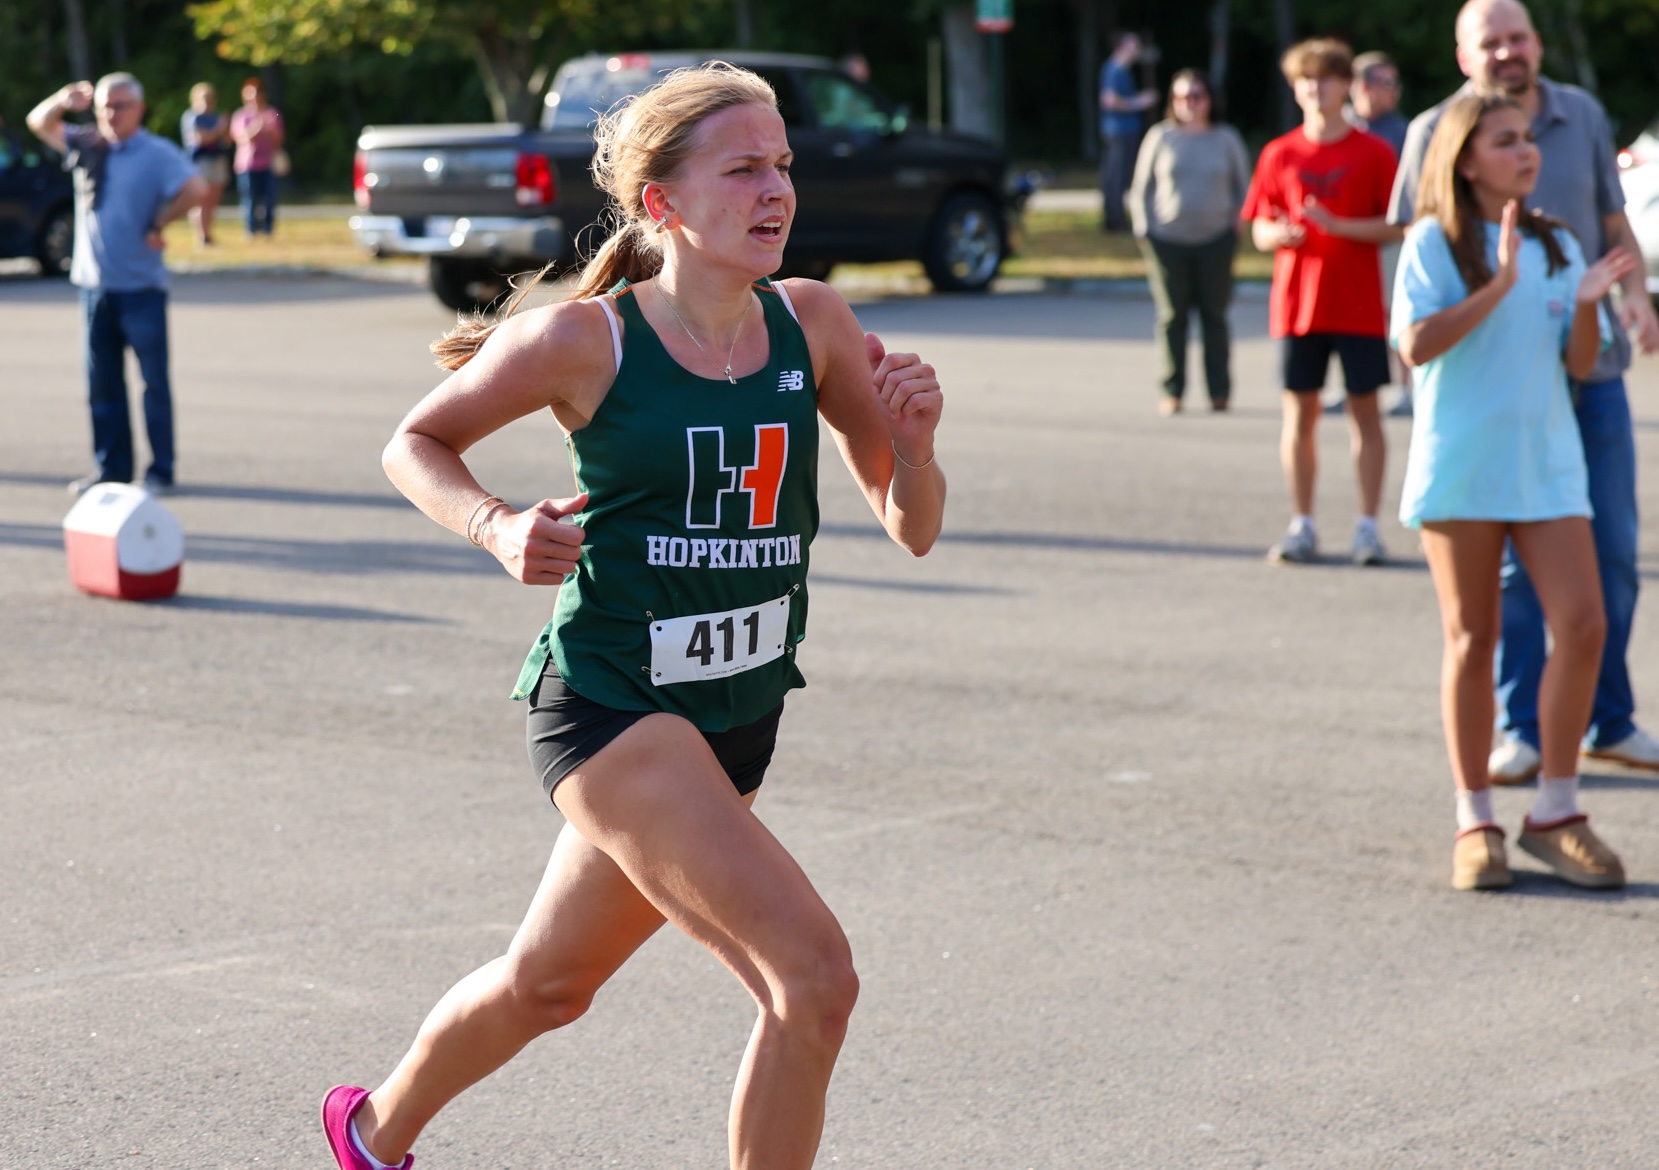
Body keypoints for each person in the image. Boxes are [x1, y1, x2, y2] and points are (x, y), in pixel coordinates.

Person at [319, 62, 947, 1170]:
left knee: (546, 984)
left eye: (784, 165)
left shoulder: (816, 324)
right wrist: (496, 528)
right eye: (743, 168)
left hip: (738, 719)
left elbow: (913, 525)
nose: (776, 191)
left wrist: (919, 448)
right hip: (613, 707)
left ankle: (369, 1136)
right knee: (814, 978)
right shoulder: (588, 343)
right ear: (660, 203)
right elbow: (413, 442)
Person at [1389, 0, 1659, 780]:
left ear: (1537, 44)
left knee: (1606, 562)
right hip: (1483, 401)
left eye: (1519, 37)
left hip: (1584, 375)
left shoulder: (1581, 115)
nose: (1508, 52)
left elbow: (1614, 223)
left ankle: (1603, 723)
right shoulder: (1430, 134)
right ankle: (1521, 731)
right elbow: (1417, 265)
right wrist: (1485, 295)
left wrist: (1630, 297)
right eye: (1491, 41)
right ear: (1462, 52)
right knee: (1495, 596)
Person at [1395, 93, 1630, 890]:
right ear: (1465, 159)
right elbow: (1416, 345)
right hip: (1463, 466)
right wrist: (1496, 283)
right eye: (1504, 141)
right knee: (1473, 639)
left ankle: (1555, 811)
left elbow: (1575, 363)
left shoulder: (1558, 242)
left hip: (1547, 464)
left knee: (1584, 624)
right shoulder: (1432, 242)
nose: (1526, 152)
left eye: (1528, 138)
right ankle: (1474, 820)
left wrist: (1590, 303)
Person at [1241, 38, 1401, 566]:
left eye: (1326, 78)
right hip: (1297, 308)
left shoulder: (1374, 151)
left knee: (1366, 415)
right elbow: (1258, 225)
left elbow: (1396, 225)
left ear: (1345, 86)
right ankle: (1302, 523)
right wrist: (1277, 234)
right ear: (1295, 88)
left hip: (1357, 307)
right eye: (1305, 79)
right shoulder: (1278, 153)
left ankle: (1367, 527)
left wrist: (1338, 227)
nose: (1315, 88)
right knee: (1299, 415)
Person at [25, 74, 208, 495]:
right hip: (95, 288)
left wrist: (160, 221)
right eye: (105, 105)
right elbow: (38, 122)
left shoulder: (156, 153)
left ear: (139, 110)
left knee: (153, 384)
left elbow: (197, 188)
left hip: (141, 288)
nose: (110, 113)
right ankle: (112, 470)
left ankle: (161, 471)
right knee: (103, 385)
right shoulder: (87, 143)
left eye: (120, 105)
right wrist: (60, 98)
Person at [1127, 68, 1250, 415]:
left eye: (1196, 96)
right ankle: (1173, 389)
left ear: (1210, 100)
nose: (1189, 104)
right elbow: (1141, 189)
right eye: (1182, 97)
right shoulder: (1161, 137)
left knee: (1215, 316)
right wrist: (1143, 227)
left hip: (1216, 240)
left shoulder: (1225, 138)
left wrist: (1236, 224)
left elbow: (1244, 187)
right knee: (1172, 317)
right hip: (1168, 240)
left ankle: (1220, 391)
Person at [1347, 51, 1416, 418]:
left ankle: (1405, 389)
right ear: (1361, 86)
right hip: (1344, 238)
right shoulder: (1340, 126)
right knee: (1348, 315)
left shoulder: (1401, 131)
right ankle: (1347, 387)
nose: (1395, 91)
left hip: (1388, 237)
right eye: (1387, 83)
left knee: (1396, 312)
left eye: (1395, 83)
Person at [1099, 32, 1158, 233]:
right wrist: (1139, 102)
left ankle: (1114, 218)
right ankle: (1115, 221)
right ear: (1121, 47)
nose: (1138, 51)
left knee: (1116, 175)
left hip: (1122, 130)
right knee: (1117, 176)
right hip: (1120, 131)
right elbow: (1109, 100)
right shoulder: (1115, 69)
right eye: (1134, 46)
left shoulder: (1121, 70)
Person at [230, 76, 283, 237]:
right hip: (247, 165)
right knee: (250, 199)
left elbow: (279, 139)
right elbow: (241, 137)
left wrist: (270, 131)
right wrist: (258, 127)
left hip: (268, 163)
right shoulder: (240, 115)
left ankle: (268, 230)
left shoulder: (272, 114)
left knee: (269, 199)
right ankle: (251, 229)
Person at [179, 82, 229, 246]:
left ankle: (208, 233)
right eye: (203, 98)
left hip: (217, 160)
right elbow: (202, 139)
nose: (207, 102)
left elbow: (225, 140)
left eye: (209, 98)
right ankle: (202, 236)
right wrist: (219, 130)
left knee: (212, 201)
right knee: (200, 199)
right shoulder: (193, 117)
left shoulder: (215, 116)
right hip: (200, 162)